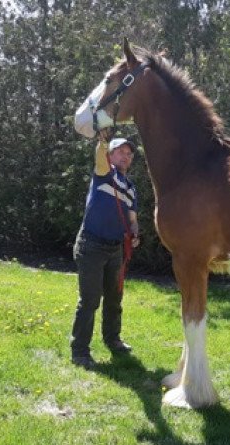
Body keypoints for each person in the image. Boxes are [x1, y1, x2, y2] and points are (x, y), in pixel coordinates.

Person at [70, 132, 140, 368]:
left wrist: (135, 233)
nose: (125, 156)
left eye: (129, 154)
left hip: (116, 250)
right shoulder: (103, 174)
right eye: (120, 151)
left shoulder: (130, 188)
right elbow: (99, 158)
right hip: (91, 246)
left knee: (114, 299)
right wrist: (101, 142)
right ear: (110, 155)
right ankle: (80, 351)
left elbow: (132, 219)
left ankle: (113, 339)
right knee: (90, 301)